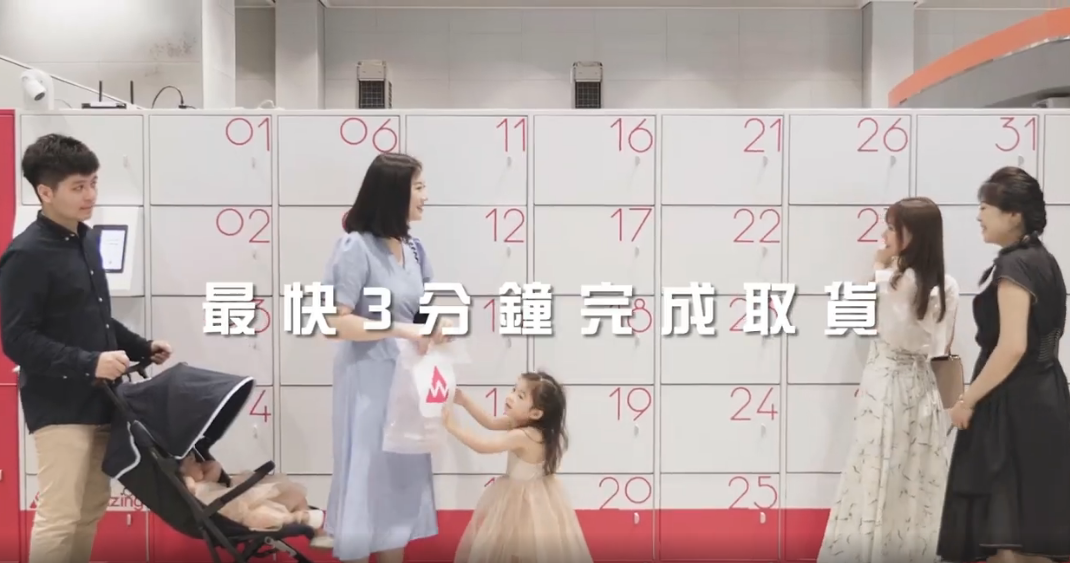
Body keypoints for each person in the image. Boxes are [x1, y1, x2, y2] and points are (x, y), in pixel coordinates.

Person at [0, 134, 172, 563]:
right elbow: (16, 339)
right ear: (45, 192)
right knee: (59, 516)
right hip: (59, 405)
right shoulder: (26, 254)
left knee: (91, 509)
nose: (91, 195)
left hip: (102, 401)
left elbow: (95, 317)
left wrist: (142, 346)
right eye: (78, 187)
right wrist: (90, 362)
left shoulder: (85, 241)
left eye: (93, 183)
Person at [320, 152, 449, 563]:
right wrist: (401, 329)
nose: (426, 196)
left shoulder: (415, 249)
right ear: (394, 193)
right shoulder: (354, 247)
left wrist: (433, 326)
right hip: (368, 385)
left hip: (407, 382)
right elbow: (334, 323)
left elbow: (423, 310)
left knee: (399, 481)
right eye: (419, 187)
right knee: (367, 476)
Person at [938, 167, 1070, 563]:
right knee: (1029, 529)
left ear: (1013, 215)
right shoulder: (1044, 260)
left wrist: (968, 399)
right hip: (1046, 394)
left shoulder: (1015, 267)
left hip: (1012, 403)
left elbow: (1011, 347)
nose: (979, 215)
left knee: (1006, 540)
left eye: (986, 206)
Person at [818, 197, 958, 563]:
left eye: (893, 228)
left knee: (873, 470)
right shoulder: (947, 286)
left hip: (883, 388)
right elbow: (943, 346)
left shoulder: (887, 281)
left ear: (913, 236)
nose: (885, 234)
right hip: (922, 388)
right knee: (917, 475)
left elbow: (851, 317)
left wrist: (878, 266)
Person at [443, 371, 593, 563]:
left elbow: (484, 446)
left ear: (536, 413)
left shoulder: (524, 435)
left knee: (521, 546)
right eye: (514, 390)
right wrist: (465, 401)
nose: (510, 397)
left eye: (520, 396)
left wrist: (453, 427)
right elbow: (490, 422)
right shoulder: (525, 425)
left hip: (524, 501)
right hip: (534, 494)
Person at [179, 454, 328, 534]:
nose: (200, 464)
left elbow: (214, 466)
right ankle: (298, 518)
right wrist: (186, 474)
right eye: (194, 463)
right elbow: (187, 485)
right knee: (261, 515)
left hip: (240, 500)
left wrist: (195, 465)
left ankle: (312, 525)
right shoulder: (192, 487)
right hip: (232, 512)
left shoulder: (206, 482)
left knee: (290, 492)